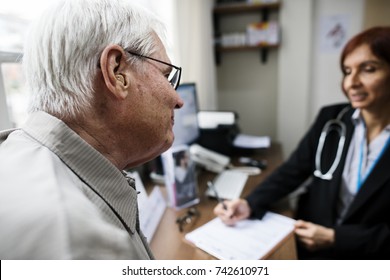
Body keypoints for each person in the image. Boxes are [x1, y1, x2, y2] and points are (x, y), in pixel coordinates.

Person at [0, 0, 183, 259]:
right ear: (116, 71)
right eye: (166, 76)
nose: (178, 99)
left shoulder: (16, 155)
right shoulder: (75, 236)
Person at [214, 26, 390, 260]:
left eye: (368, 69)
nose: (352, 82)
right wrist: (249, 203)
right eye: (347, 71)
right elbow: (294, 170)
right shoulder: (332, 119)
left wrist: (336, 238)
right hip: (311, 244)